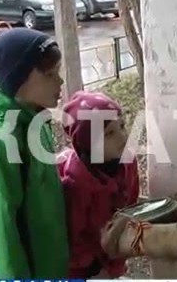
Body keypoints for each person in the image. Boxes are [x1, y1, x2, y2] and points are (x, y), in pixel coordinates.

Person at [0, 28, 69, 279]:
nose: (60, 81)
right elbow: (1, 236)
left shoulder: (34, 122)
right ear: (19, 80)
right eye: (50, 74)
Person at [57, 91, 140, 279]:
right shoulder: (76, 182)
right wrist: (94, 269)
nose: (123, 137)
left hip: (111, 256)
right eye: (109, 133)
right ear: (88, 144)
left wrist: (116, 260)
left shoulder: (127, 162)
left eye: (122, 126)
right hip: (81, 269)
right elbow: (73, 237)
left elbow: (131, 209)